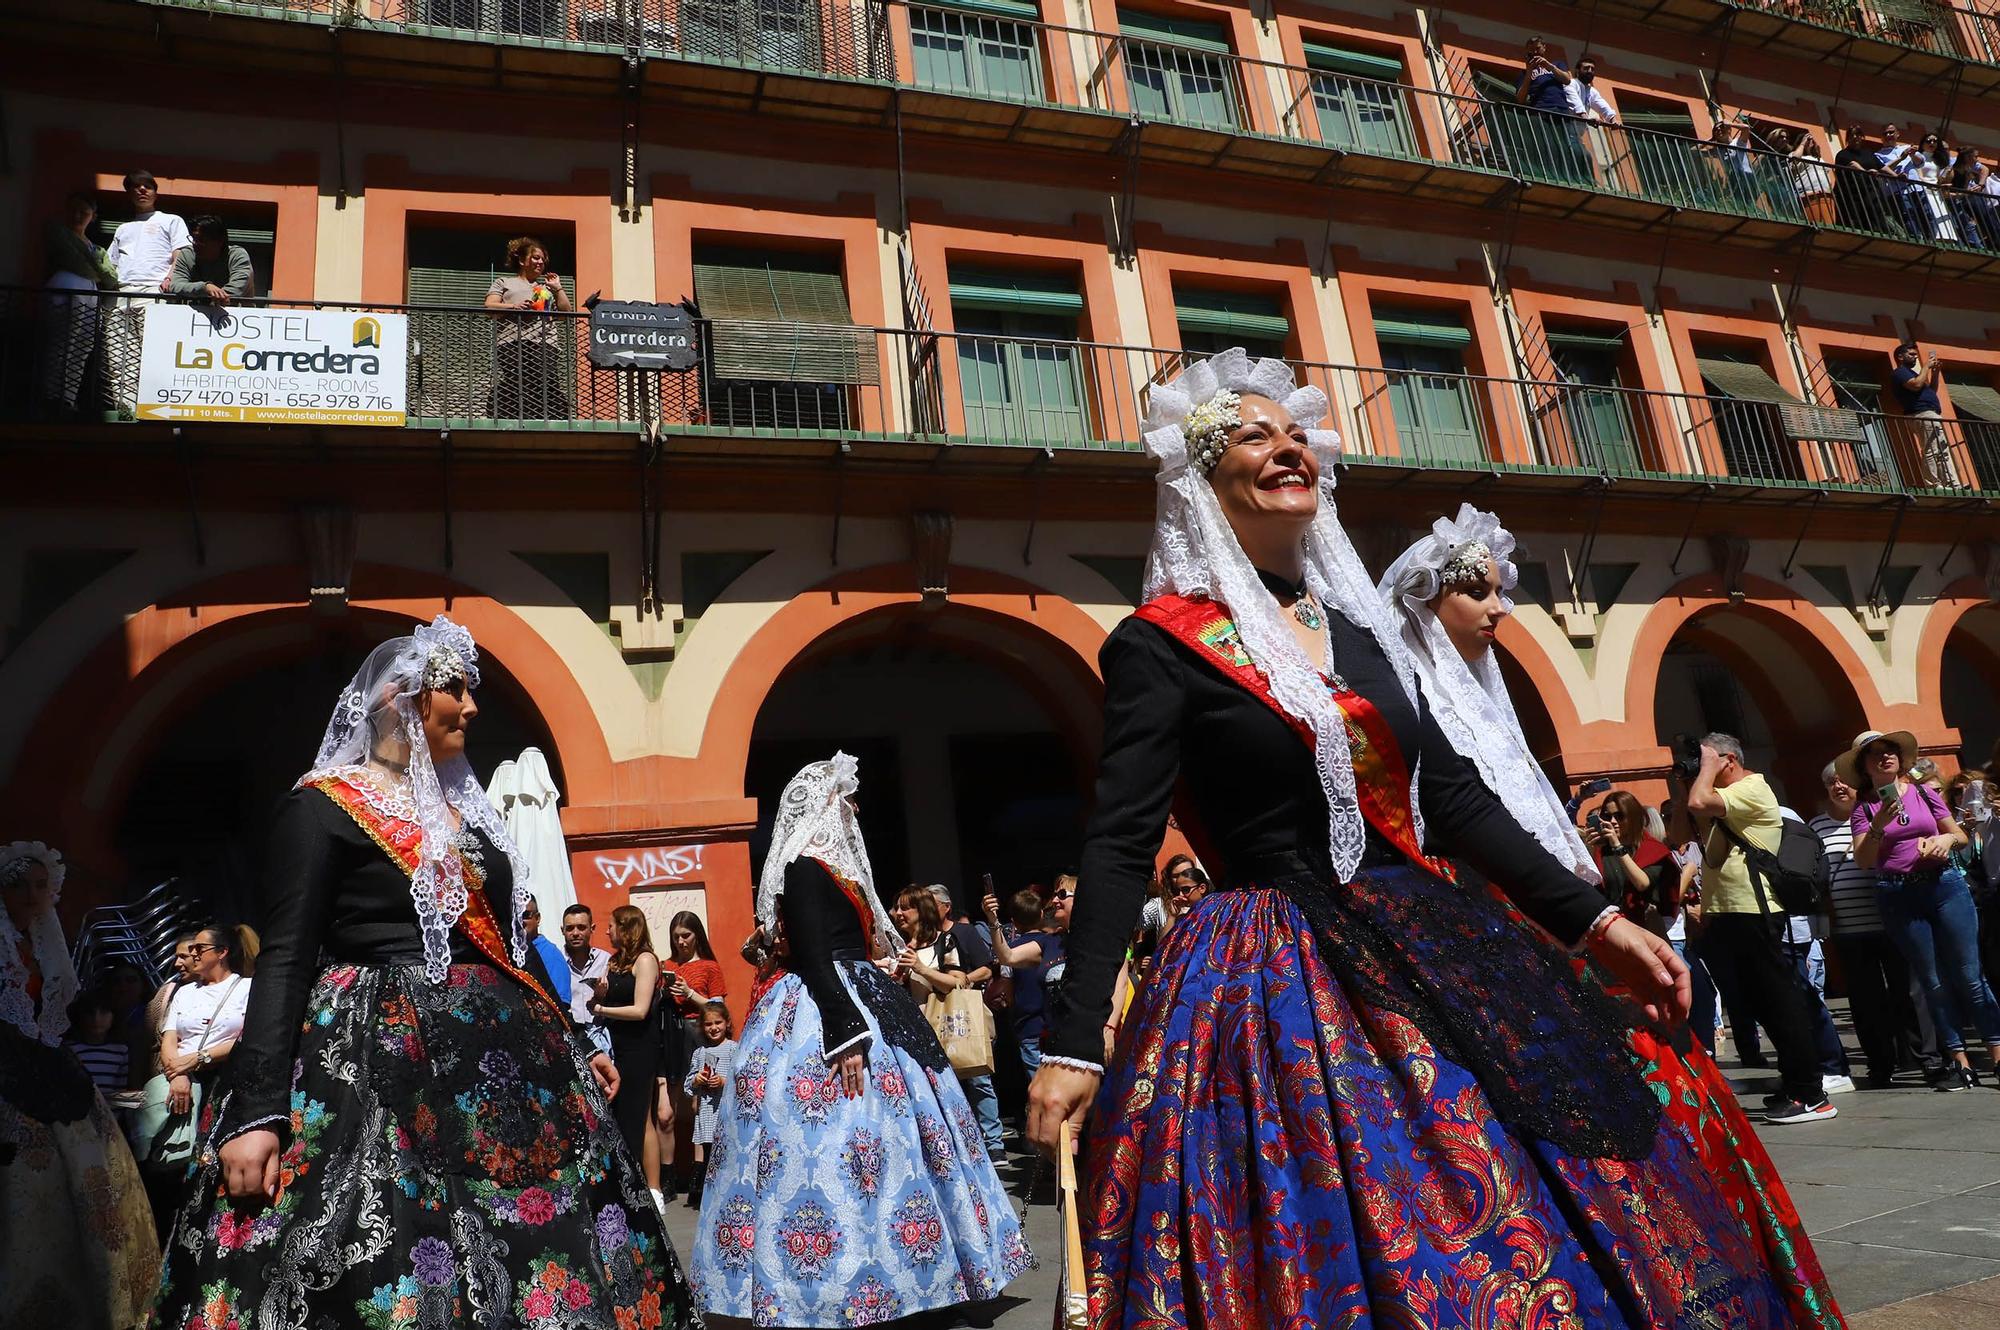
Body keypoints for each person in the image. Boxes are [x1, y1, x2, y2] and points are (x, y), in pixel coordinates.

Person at [1028, 348, 1844, 1328]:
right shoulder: (1159, 644)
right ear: (1202, 481)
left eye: (1295, 436)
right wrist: (1074, 1042)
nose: (1285, 447)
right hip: (1266, 971)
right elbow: (1120, 842)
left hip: (1421, 929)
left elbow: (1450, 799)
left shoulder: (1361, 629)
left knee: (1578, 1147)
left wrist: (1594, 924)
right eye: (1251, 436)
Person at [149, 615, 698, 1329]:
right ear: (396, 701)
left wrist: (577, 1041)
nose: (472, 707)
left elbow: (507, 941)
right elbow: (284, 955)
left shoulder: (466, 815)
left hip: (513, 1073)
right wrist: (256, 1110)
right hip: (374, 1058)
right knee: (394, 1226)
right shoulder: (321, 809)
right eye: (455, 690)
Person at [690, 753, 1031, 1325]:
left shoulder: (837, 870)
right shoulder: (804, 865)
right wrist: (844, 1027)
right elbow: (814, 952)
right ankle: (828, 1277)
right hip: (826, 1004)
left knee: (899, 1129)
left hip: (859, 991)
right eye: (844, 797)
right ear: (821, 803)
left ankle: (916, 1264)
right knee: (833, 1138)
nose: (853, 808)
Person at [0, 841, 161, 1330]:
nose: (32, 896)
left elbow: (42, 1018)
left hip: (44, 1063)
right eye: (19, 887)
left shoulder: (40, 944)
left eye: (40, 887)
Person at [1677, 732, 1841, 1123]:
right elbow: (1683, 834)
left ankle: (1811, 1094)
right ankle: (1793, 1083)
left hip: (1757, 911)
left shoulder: (1753, 788)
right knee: (1758, 1003)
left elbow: (1699, 800)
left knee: (1781, 1002)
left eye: (1707, 760)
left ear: (1728, 759)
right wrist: (1683, 778)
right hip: (1731, 913)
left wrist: (1704, 772)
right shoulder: (1726, 806)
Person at [1844, 728, 2000, 1091]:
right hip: (1897, 893)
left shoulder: (1924, 792)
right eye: (1875, 753)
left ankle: (1996, 1051)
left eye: (1891, 750)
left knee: (1970, 975)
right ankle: (1958, 1060)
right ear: (1864, 766)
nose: (1885, 756)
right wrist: (1879, 825)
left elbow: (1960, 835)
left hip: (1944, 885)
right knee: (1932, 980)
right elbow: (1865, 859)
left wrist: (1946, 838)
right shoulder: (1864, 809)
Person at [1814, 760, 1922, 1087]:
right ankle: (1879, 1063)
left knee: (1905, 992)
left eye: (1844, 781)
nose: (1838, 787)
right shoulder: (1816, 827)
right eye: (1831, 782)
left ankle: (1915, 1057)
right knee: (1864, 1000)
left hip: (1890, 919)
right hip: (1849, 928)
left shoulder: (1878, 814)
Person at [588, 904, 664, 1205]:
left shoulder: (646, 960)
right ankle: (631, 1182)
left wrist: (602, 1010)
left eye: (612, 926)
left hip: (639, 1048)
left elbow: (640, 1009)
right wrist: (601, 994)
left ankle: (651, 1189)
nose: (607, 931)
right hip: (616, 1045)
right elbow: (605, 999)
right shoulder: (615, 962)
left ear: (626, 928)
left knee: (638, 1115)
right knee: (623, 1115)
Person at [926, 881, 1004, 1161]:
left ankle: (994, 1141)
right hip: (933, 1014)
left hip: (963, 1012)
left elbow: (987, 968)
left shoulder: (964, 932)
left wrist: (963, 980)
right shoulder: (922, 938)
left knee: (978, 1075)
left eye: (930, 902)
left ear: (945, 907)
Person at [103, 169, 191, 416]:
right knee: (119, 355)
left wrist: (171, 277)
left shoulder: (170, 220)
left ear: (155, 191)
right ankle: (126, 408)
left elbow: (181, 254)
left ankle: (155, 408)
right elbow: (112, 265)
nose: (141, 190)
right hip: (121, 293)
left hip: (154, 293)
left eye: (147, 186)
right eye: (135, 186)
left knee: (153, 352)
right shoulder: (123, 229)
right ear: (129, 193)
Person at [657, 910, 726, 1200]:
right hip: (671, 1033)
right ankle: (668, 1178)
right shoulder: (666, 965)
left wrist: (689, 993)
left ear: (697, 934)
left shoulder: (710, 966)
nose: (681, 941)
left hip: (700, 1032)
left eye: (686, 935)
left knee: (703, 1105)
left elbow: (718, 1009)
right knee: (668, 1108)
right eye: (676, 937)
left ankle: (703, 1174)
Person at [158, 922, 252, 1130]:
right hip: (181, 1080)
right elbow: (170, 1038)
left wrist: (198, 1057)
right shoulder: (185, 992)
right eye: (191, 949)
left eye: (199, 948)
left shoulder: (248, 989)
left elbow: (247, 1038)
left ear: (222, 952)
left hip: (225, 1081)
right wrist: (179, 1074)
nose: (193, 954)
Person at [38, 190, 117, 420]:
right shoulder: (58, 231)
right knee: (62, 343)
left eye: (84, 211)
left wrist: (95, 267)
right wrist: (98, 269)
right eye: (73, 210)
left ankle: (68, 397)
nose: (77, 215)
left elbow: (112, 277)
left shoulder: (96, 247)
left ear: (93, 216)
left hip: (89, 294)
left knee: (82, 348)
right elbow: (74, 262)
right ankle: (52, 395)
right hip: (65, 286)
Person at [982, 879, 1070, 1076]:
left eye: (1062, 895)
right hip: (1045, 1033)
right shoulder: (1049, 943)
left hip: (1065, 1031)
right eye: (1055, 896)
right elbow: (1008, 956)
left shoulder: (1083, 940)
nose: (1055, 901)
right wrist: (992, 920)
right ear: (1041, 914)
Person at [485, 234, 572, 419]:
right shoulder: (504, 282)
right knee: (518, 381)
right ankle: (518, 418)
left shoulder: (547, 288)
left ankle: (543, 419)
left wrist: (558, 288)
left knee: (545, 381)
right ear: (523, 260)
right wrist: (513, 307)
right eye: (536, 257)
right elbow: (490, 306)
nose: (540, 262)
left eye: (543, 259)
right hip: (512, 341)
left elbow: (566, 313)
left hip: (544, 343)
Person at [1586, 790, 1681, 935]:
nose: (1612, 822)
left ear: (1633, 817)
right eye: (1607, 816)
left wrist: (1617, 846)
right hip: (1612, 930)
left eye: (1619, 816)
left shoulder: (1652, 849)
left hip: (1647, 928)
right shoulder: (1602, 851)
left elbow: (1642, 883)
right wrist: (1590, 848)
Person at [1514, 37, 1591, 187]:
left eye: (1537, 49)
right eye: (1531, 51)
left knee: (1566, 143)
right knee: (1547, 144)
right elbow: (1520, 99)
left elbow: (1567, 79)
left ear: (1544, 48)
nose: (1535, 52)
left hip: (1561, 111)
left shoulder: (1557, 64)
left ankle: (1569, 174)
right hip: (1541, 112)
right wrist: (1529, 73)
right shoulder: (1523, 75)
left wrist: (1548, 65)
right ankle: (1550, 173)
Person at [679, 1000, 734, 1207]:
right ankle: (710, 1196)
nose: (714, 1028)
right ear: (702, 1026)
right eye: (709, 1024)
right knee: (709, 1155)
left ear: (727, 1023)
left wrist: (723, 1081)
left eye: (718, 1022)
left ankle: (726, 1195)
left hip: (725, 1113)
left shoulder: (733, 1049)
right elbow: (687, 1086)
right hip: (707, 1116)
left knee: (726, 1155)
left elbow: (741, 1082)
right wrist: (696, 1080)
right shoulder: (700, 1053)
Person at [1891, 340, 1961, 488]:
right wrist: (1926, 367)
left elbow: (1931, 390)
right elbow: (1916, 386)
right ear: (1900, 357)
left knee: (1941, 450)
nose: (1915, 357)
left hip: (1930, 413)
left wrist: (1935, 373)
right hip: (1921, 414)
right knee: (1931, 449)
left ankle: (1952, 483)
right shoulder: (1900, 372)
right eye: (1911, 354)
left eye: (1916, 355)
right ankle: (1934, 484)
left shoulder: (1914, 373)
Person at [166, 214, 256, 306]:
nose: (194, 243)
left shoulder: (237, 255)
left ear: (219, 242)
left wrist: (216, 297)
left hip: (236, 314)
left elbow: (238, 287)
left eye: (201, 240)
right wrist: (204, 287)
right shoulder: (186, 254)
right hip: (195, 315)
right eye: (193, 238)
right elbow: (175, 284)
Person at [562, 902, 612, 1054]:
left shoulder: (606, 961)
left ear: (592, 928)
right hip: (569, 1034)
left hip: (600, 1035)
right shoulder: (557, 962)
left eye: (581, 927)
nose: (575, 933)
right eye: (569, 928)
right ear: (562, 931)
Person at [65, 990, 132, 1094]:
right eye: (90, 1012)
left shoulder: (120, 1050)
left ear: (113, 1016)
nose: (96, 1018)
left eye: (104, 1012)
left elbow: (120, 1090)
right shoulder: (69, 1049)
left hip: (110, 1108)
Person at [1833, 123, 1895, 231]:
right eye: (1852, 135)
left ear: (1862, 137)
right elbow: (1852, 164)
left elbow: (1881, 166)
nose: (1855, 137)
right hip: (1853, 194)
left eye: (1858, 134)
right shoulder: (1843, 154)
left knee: (1876, 215)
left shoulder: (1868, 153)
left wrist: (1897, 176)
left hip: (1870, 191)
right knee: (1858, 220)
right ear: (1848, 138)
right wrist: (1866, 172)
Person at [519, 897, 571, 1008]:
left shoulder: (551, 954)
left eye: (526, 915)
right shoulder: (513, 950)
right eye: (516, 916)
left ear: (537, 918)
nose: (520, 921)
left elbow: (561, 1004)